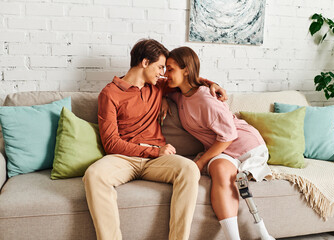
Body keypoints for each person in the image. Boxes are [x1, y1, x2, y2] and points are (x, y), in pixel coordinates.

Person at [82, 39, 227, 240]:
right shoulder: (110, 93)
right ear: (144, 62)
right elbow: (111, 144)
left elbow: (186, 79)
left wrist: (212, 84)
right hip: (124, 157)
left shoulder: (159, 86)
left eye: (165, 69)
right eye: (160, 67)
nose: (163, 73)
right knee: (94, 175)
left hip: (157, 160)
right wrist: (153, 151)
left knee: (190, 169)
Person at [162, 46, 273, 240]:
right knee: (221, 172)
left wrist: (201, 161)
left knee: (221, 171)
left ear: (186, 69)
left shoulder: (206, 98)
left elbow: (229, 135)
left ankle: (263, 233)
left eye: (170, 69)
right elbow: (155, 84)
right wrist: (162, 98)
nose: (165, 74)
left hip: (244, 143)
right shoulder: (179, 93)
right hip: (224, 151)